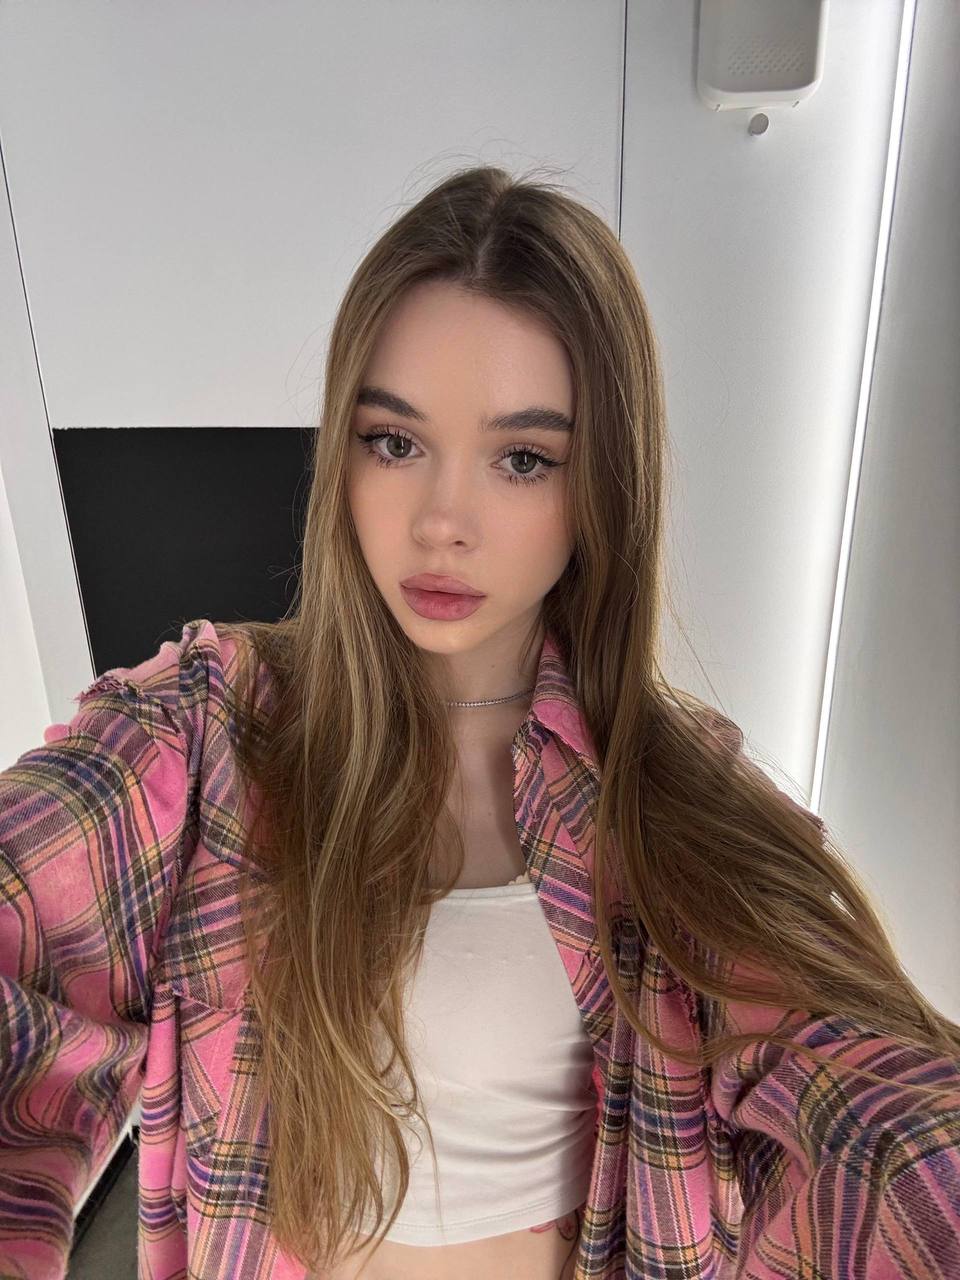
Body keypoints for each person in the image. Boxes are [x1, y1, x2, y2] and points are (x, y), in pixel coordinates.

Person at [2, 163, 959, 1280]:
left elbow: (870, 1094)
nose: (442, 521)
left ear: (602, 484)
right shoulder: (208, 732)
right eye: (394, 442)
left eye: (523, 459)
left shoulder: (672, 793)